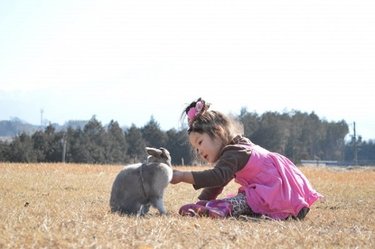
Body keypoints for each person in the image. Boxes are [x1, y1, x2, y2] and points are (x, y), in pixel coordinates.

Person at [170, 98, 323, 220]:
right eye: (195, 148)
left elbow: (217, 177)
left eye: (200, 143)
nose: (198, 151)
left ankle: (222, 209)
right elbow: (218, 183)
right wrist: (201, 201)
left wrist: (183, 176)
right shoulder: (237, 147)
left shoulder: (235, 152)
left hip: (276, 195)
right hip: (284, 195)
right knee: (246, 198)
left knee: (246, 199)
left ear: (217, 132)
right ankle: (212, 206)